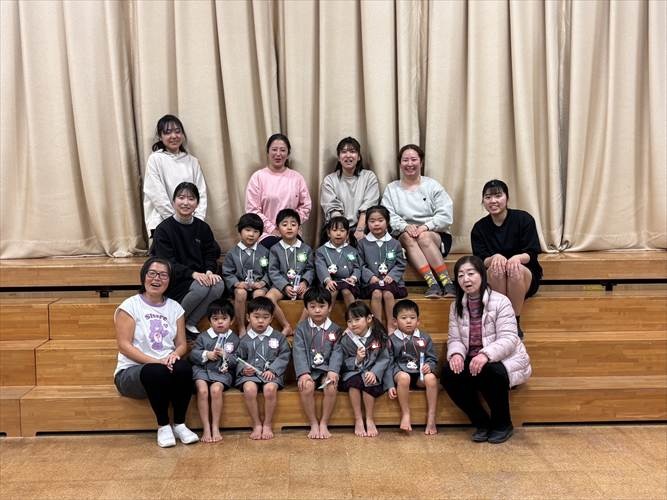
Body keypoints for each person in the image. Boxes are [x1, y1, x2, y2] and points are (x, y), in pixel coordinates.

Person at [441, 255, 532, 444]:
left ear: (482, 275)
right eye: (460, 275)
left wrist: (485, 355)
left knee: (491, 371)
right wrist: (456, 354)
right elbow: (455, 338)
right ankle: (481, 422)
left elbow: (509, 339)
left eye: (471, 273)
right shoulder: (456, 306)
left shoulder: (501, 301)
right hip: (473, 358)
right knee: (448, 373)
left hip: (503, 359)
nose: (466, 279)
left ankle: (503, 424)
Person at [113, 257, 199, 448]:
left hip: (165, 367)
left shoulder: (175, 308)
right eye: (152, 273)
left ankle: (180, 424)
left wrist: (174, 355)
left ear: (170, 280)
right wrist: (155, 361)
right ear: (144, 276)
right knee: (156, 371)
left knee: (183, 368)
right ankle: (163, 426)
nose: (157, 279)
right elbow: (124, 345)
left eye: (163, 275)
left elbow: (182, 344)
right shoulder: (129, 306)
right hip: (132, 372)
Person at [150, 182, 224, 340]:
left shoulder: (203, 228)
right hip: (175, 279)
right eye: (181, 197)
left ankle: (190, 322)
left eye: (191, 199)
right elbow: (166, 263)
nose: (185, 202)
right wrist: (193, 274)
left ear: (197, 203)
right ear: (173, 201)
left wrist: (209, 271)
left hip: (199, 276)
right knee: (201, 288)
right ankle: (173, 324)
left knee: (218, 284)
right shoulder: (163, 229)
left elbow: (210, 253)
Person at [471, 179, 543, 339]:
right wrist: (493, 258)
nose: (493, 200)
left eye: (498, 195)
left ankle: (514, 320)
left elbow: (532, 253)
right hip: (495, 276)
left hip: (525, 275)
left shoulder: (524, 219)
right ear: (483, 201)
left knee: (514, 269)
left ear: (507, 198)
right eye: (488, 197)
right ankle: (500, 319)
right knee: (496, 269)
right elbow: (480, 259)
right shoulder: (479, 227)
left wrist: (517, 259)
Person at [382, 144, 455, 298]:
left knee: (423, 237)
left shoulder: (432, 185)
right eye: (405, 160)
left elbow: (445, 214)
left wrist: (426, 227)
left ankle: (447, 282)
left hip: (434, 234)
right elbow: (388, 215)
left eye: (414, 159)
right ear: (400, 164)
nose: (410, 164)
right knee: (408, 237)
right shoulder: (391, 189)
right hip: (405, 235)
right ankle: (432, 284)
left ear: (421, 162)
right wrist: (405, 226)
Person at [328, 301, 391, 438]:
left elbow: (384, 358)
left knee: (369, 381)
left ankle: (369, 418)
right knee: (354, 384)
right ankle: (358, 419)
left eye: (357, 319)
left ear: (368, 319)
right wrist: (356, 360)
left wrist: (374, 372)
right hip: (353, 372)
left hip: (372, 373)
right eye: (349, 321)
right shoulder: (345, 339)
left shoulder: (378, 336)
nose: (353, 324)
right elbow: (342, 361)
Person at [235, 297, 291, 440]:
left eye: (265, 317)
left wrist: (273, 370)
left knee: (270, 389)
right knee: (249, 389)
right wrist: (243, 369)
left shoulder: (278, 337)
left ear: (271, 318)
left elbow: (284, 355)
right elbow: (238, 358)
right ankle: (256, 424)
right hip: (250, 375)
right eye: (256, 317)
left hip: (271, 374)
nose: (260, 321)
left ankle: (267, 424)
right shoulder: (244, 339)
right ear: (248, 317)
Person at [143, 114, 207, 237]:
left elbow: (201, 193)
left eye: (177, 131)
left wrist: (197, 221)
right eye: (168, 132)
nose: (174, 136)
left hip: (190, 223)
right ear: (160, 137)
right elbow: (157, 195)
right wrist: (176, 221)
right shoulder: (155, 159)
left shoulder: (192, 161)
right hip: (162, 223)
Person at [245, 133, 312, 248]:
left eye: (282, 150)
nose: (278, 154)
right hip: (265, 233)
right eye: (274, 149)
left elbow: (306, 206)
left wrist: (289, 225)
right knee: (277, 250)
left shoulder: (297, 178)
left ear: (288, 153)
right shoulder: (258, 177)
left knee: (301, 254)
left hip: (291, 232)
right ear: (268, 152)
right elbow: (253, 210)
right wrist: (272, 229)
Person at [293, 287, 342, 439]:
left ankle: (324, 423)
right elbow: (298, 351)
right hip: (308, 369)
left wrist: (333, 370)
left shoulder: (336, 329)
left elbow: (337, 352)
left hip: (327, 369)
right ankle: (313, 423)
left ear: (330, 307)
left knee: (331, 386)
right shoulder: (301, 328)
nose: (317, 310)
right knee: (306, 386)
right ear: (306, 308)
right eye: (312, 306)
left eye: (322, 306)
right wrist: (303, 373)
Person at [386, 299, 439, 435]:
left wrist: (429, 365)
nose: (408, 321)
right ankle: (406, 414)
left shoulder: (424, 337)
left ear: (418, 321)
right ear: (395, 322)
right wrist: (390, 384)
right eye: (404, 318)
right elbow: (389, 363)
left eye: (412, 318)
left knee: (431, 379)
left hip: (419, 373)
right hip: (401, 373)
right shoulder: (391, 340)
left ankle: (431, 417)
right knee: (404, 378)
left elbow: (432, 358)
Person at [189, 301, 240, 443]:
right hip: (202, 370)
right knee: (202, 390)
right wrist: (206, 354)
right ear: (209, 320)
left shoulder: (234, 339)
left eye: (224, 318)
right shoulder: (203, 336)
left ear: (231, 320)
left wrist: (226, 356)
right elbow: (193, 355)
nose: (220, 322)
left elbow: (237, 360)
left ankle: (215, 427)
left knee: (216, 390)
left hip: (222, 373)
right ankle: (206, 427)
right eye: (215, 319)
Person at [356, 205, 407, 333]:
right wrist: (371, 277)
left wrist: (392, 276)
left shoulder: (395, 243)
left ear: (387, 222)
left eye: (380, 220)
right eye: (372, 221)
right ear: (367, 224)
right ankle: (377, 326)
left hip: (391, 282)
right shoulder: (362, 244)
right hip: (371, 283)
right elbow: (360, 265)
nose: (376, 224)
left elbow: (401, 264)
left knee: (388, 293)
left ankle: (392, 325)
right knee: (377, 293)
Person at [320, 137, 380, 243]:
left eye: (352, 151)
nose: (348, 155)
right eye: (344, 152)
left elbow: (368, 208)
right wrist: (342, 231)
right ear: (339, 158)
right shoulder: (329, 180)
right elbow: (333, 210)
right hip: (337, 226)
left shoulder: (369, 177)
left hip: (363, 225)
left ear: (359, 157)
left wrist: (360, 230)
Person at [266, 208, 314, 335]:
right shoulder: (275, 249)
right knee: (269, 298)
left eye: (293, 224)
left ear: (299, 228)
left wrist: (304, 282)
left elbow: (310, 269)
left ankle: (299, 327)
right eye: (284, 224)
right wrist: (285, 286)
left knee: (313, 298)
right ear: (278, 229)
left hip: (300, 287)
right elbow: (273, 271)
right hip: (281, 286)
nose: (289, 228)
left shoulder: (306, 249)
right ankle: (286, 325)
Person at [222, 213, 270, 336]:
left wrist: (262, 282)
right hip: (240, 286)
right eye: (247, 230)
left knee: (259, 294)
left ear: (260, 234)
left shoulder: (265, 252)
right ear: (240, 231)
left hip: (258, 286)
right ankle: (241, 327)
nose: (251, 234)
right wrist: (237, 283)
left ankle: (252, 326)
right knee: (240, 293)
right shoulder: (232, 253)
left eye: (255, 231)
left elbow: (270, 271)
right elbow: (227, 273)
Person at [314, 216, 361, 307]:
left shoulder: (352, 250)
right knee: (332, 290)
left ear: (347, 234)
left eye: (342, 231)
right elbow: (321, 267)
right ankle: (326, 314)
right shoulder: (321, 251)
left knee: (346, 291)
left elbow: (357, 268)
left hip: (348, 283)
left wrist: (353, 278)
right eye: (334, 230)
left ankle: (353, 314)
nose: (338, 234)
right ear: (328, 233)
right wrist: (328, 281)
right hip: (330, 283)